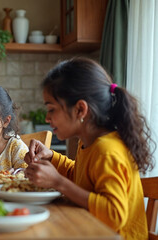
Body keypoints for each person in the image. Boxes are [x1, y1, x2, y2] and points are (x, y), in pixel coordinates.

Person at [24, 57, 154, 240]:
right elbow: (80, 177)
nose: (47, 118)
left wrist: (58, 183)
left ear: (80, 110)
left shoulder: (107, 150)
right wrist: (51, 157)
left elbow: (114, 215)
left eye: (51, 109)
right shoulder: (90, 143)